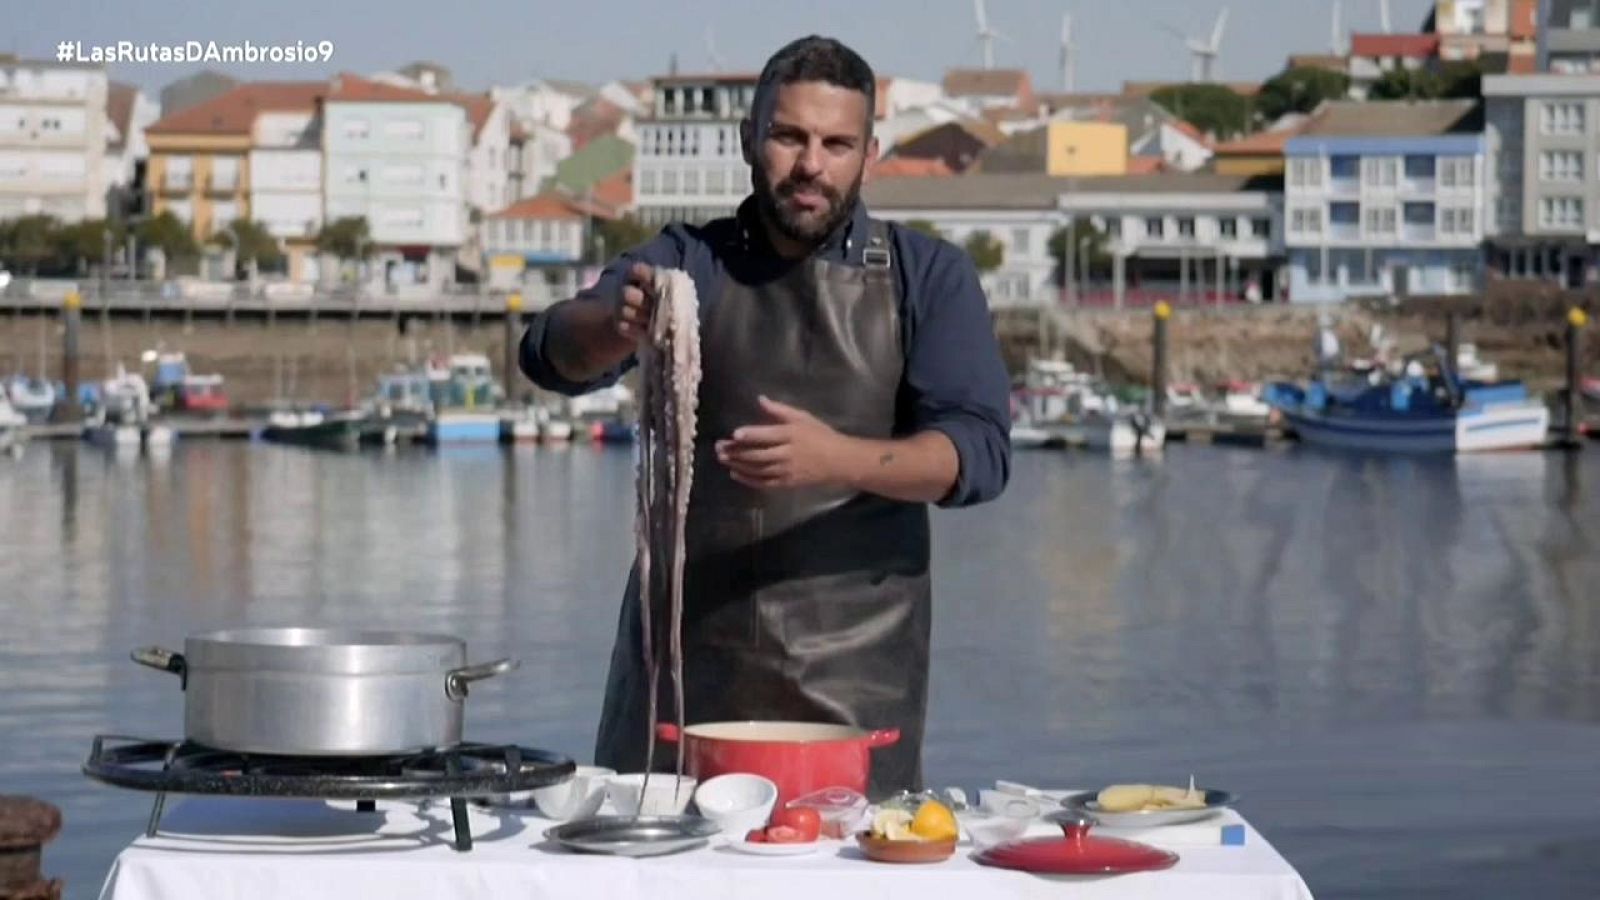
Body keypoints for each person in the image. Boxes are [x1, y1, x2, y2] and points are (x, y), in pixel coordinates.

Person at [519, 35, 1011, 796]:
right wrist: (615, 325)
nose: (812, 164)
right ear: (751, 139)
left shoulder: (929, 276)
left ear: (869, 154)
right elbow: (549, 354)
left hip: (855, 694)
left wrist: (835, 460)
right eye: (789, 136)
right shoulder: (687, 262)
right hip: (680, 688)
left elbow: (979, 455)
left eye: (837, 143)